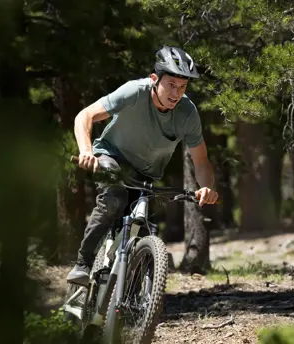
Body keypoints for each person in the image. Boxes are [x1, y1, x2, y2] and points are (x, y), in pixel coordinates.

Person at [66, 45, 219, 286]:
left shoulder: (187, 113)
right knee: (114, 198)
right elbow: (84, 116)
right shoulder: (134, 92)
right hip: (112, 156)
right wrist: (86, 150)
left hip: (146, 174)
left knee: (143, 232)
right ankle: (83, 263)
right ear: (154, 79)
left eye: (182, 87)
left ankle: (129, 304)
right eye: (171, 85)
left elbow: (201, 161)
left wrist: (206, 187)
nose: (176, 93)